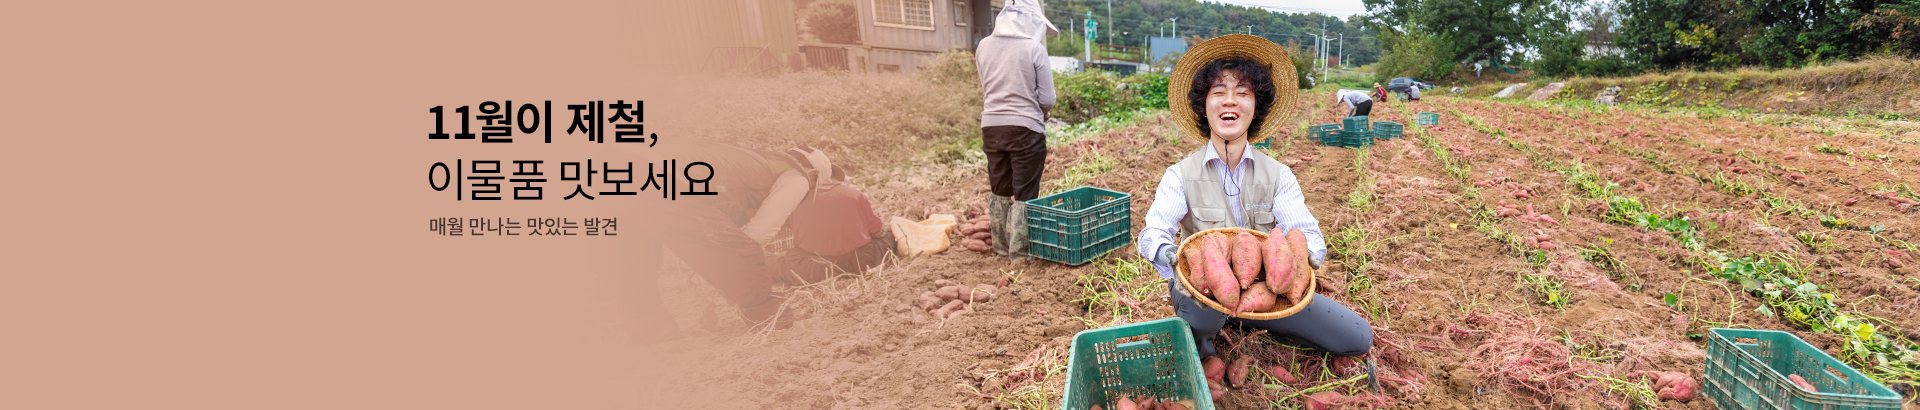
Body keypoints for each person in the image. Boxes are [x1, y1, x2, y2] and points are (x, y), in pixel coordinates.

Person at [1139, 34, 1374, 361]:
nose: (1229, 101)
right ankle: (1204, 346)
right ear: (1203, 107)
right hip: (1203, 291)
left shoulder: (1279, 175)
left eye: (1243, 93)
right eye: (1218, 93)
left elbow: (1306, 234)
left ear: (1256, 108)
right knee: (1204, 315)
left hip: (1267, 290)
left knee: (1356, 338)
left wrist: (1305, 259)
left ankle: (1253, 319)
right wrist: (1171, 255)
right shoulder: (1179, 174)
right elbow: (1152, 232)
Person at [592, 141, 843, 342]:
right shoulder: (797, 177)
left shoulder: (752, 160)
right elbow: (756, 236)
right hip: (658, 174)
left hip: (615, 163)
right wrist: (737, 275)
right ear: (812, 174)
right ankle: (769, 318)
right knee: (744, 251)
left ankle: (651, 330)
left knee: (634, 254)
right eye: (814, 186)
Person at [975, 0, 1057, 261]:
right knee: (1025, 190)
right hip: (1025, 128)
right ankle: (1021, 253)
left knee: (999, 186)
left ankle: (1000, 246)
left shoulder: (983, 46)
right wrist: (1041, 114)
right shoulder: (1033, 48)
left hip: (991, 126)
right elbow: (1047, 98)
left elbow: (986, 86)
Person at [773, 148, 895, 284]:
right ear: (830, 173)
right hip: (859, 263)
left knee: (787, 260)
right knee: (890, 234)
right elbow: (877, 231)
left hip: (814, 267)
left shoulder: (793, 200)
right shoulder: (854, 194)